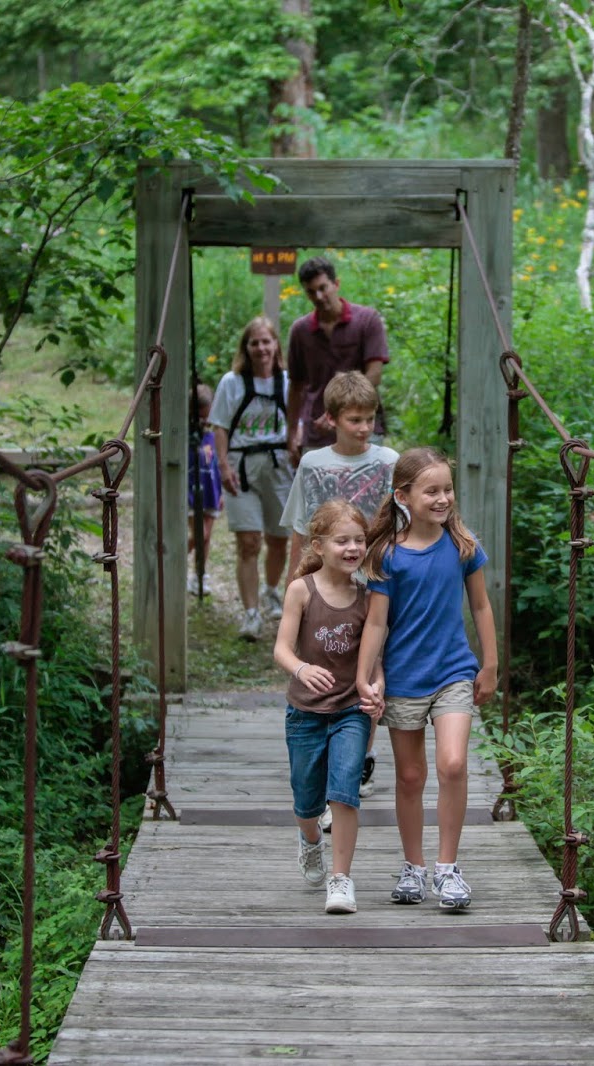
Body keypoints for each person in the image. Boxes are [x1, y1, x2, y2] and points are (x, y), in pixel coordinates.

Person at [355, 447, 497, 912]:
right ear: (403, 496)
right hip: (403, 678)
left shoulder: (463, 546)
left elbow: (480, 606)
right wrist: (364, 677)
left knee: (454, 763)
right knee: (411, 776)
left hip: (453, 671)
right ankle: (412, 866)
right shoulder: (388, 555)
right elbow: (377, 623)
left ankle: (447, 868)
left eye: (447, 490)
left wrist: (489, 663)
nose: (442, 499)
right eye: (431, 491)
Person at [281, 371, 399, 804]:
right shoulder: (313, 464)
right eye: (354, 419)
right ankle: (327, 750)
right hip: (326, 582)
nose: (364, 427)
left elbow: (401, 525)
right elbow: (300, 527)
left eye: (369, 418)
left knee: (367, 671)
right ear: (331, 419)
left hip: (375, 584)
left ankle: (360, 756)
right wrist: (295, 580)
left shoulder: (389, 461)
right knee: (329, 659)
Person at [272, 499, 382, 915]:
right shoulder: (302, 590)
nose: (353, 548)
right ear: (318, 545)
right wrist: (301, 669)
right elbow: (282, 649)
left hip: (350, 711)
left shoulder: (369, 595)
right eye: (342, 541)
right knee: (306, 800)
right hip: (304, 713)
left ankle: (341, 879)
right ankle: (309, 840)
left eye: (359, 540)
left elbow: (375, 656)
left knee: (345, 793)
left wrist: (377, 683)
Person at [207, 316, 293, 641]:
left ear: (275, 345)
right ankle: (251, 614)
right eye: (254, 343)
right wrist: (223, 467)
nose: (261, 348)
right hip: (242, 466)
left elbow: (297, 419)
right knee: (248, 542)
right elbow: (220, 426)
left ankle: (272, 590)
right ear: (246, 347)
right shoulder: (232, 382)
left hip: (280, 465)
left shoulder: (286, 381)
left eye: (266, 341)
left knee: (279, 539)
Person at [285, 256, 389, 463]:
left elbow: (374, 374)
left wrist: (338, 409)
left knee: (367, 493)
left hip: (363, 427)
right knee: (319, 494)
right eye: (311, 292)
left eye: (323, 288)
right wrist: (290, 433)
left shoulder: (367, 320)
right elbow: (296, 387)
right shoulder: (301, 331)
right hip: (317, 432)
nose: (319, 296)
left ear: (336, 284)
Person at [187, 383, 221, 597]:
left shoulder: (214, 434)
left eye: (207, 416)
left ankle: (199, 574)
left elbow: (217, 463)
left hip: (211, 490)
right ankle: (173, 562)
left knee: (206, 537)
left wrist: (222, 493)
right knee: (201, 533)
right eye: (200, 417)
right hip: (192, 490)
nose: (204, 421)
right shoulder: (185, 435)